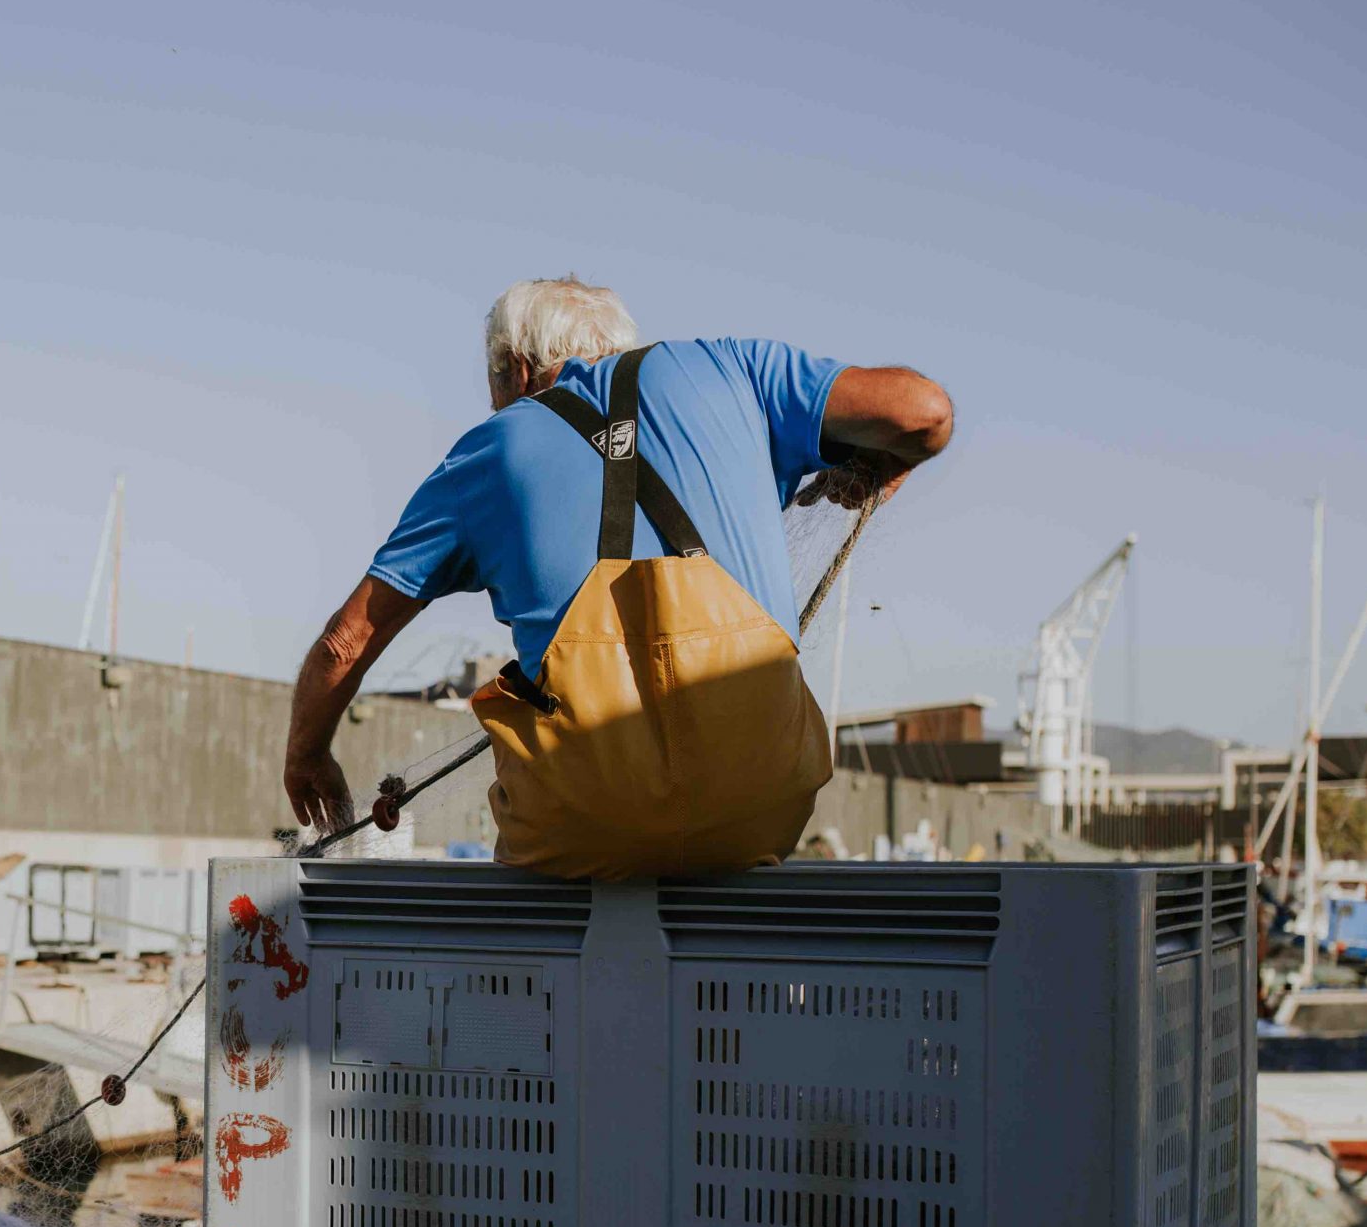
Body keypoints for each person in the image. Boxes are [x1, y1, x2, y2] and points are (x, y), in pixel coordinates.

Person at [282, 276, 952, 878]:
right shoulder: (734, 369)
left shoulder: (488, 450)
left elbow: (346, 641)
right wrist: (886, 465)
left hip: (580, 827)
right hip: (765, 811)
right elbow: (926, 412)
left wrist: (308, 757)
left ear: (516, 368)